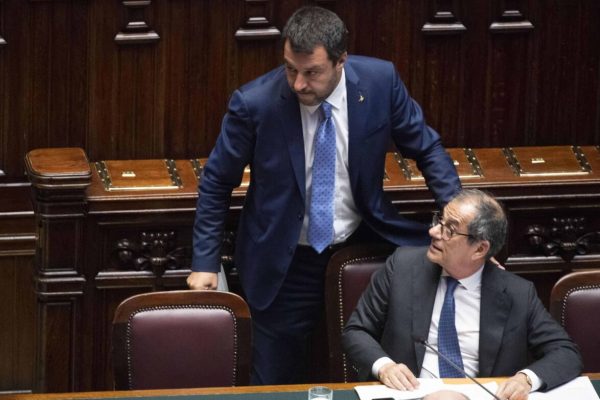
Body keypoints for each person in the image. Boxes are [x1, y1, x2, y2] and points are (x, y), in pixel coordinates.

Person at [188, 6, 461, 384]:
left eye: (311, 72)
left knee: (377, 368)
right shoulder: (255, 104)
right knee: (273, 381)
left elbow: (428, 150)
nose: (298, 84)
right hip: (284, 261)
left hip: (360, 246)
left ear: (341, 61)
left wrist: (460, 221)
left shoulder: (380, 82)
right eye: (289, 69)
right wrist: (204, 262)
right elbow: (216, 183)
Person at [342, 189, 582, 400]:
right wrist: (385, 367)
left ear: (479, 249)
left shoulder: (517, 293)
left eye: (449, 230)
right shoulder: (402, 267)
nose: (434, 231)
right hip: (409, 395)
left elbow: (565, 352)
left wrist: (526, 379)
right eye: (439, 220)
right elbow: (357, 331)